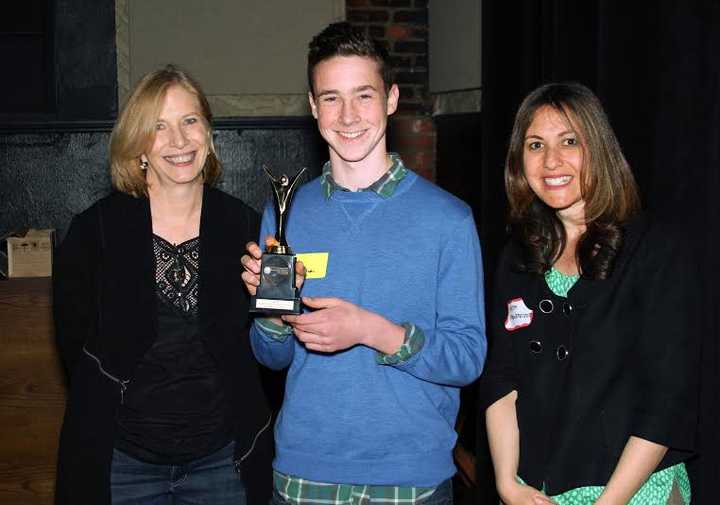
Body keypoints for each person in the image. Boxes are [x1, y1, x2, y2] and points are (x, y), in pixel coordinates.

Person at [241, 22, 487, 505]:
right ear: (313, 107)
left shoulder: (449, 219)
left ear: (391, 99)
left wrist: (370, 330)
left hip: (410, 480)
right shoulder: (287, 214)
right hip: (303, 476)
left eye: (364, 95)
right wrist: (271, 311)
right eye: (331, 98)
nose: (348, 115)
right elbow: (271, 357)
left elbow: (467, 359)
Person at [53, 65, 272, 505]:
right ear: (138, 147)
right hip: (122, 467)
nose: (178, 140)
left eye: (190, 121)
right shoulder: (94, 231)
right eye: (159, 127)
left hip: (223, 465)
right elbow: (74, 349)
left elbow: (264, 345)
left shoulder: (244, 225)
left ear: (208, 133)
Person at [479, 82, 699, 505]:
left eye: (570, 141)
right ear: (518, 162)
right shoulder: (517, 256)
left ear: (598, 148)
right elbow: (501, 380)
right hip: (538, 492)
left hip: (635, 492)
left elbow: (667, 402)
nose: (552, 161)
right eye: (535, 145)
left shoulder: (655, 249)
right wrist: (508, 484)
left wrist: (609, 502)